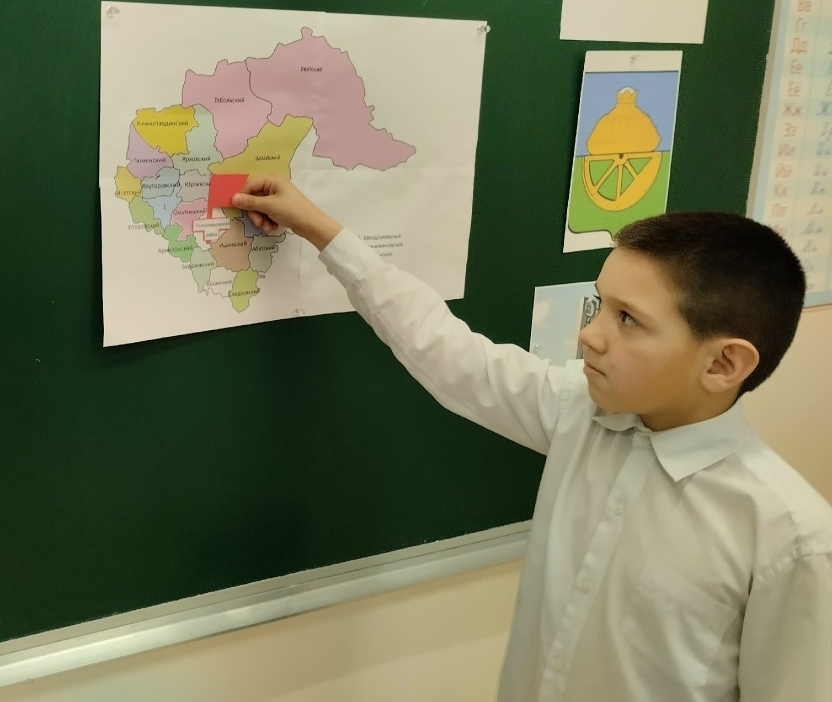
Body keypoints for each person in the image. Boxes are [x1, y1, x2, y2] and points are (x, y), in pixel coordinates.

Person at [231, 175, 832, 702]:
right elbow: (446, 351)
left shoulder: (788, 539)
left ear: (724, 364)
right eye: (600, 305)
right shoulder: (583, 413)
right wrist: (320, 229)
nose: (590, 336)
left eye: (628, 319)